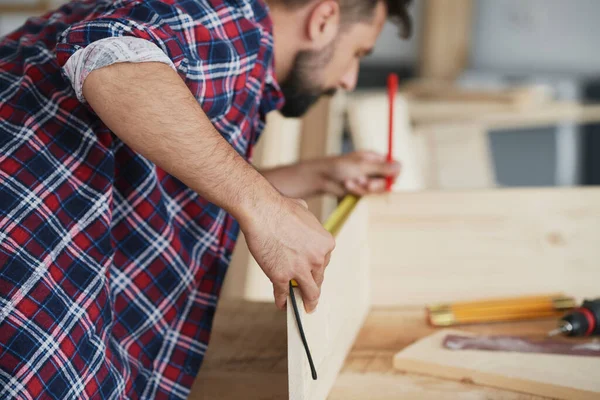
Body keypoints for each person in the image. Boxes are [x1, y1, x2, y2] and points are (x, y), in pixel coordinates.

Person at [0, 0, 412, 398]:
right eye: (358, 52)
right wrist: (265, 208)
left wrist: (317, 176)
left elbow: (175, 177)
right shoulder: (234, 22)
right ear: (323, 19)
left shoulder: (228, 56)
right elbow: (108, 54)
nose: (349, 80)